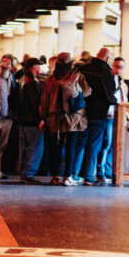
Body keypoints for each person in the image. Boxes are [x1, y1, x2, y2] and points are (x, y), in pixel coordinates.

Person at [40, 56, 91, 185]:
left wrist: (43, 117)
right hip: (73, 117)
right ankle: (68, 177)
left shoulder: (50, 79)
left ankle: (55, 176)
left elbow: (44, 100)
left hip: (54, 117)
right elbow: (87, 92)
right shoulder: (77, 76)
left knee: (55, 148)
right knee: (71, 147)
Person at [79, 48, 117, 185]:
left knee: (80, 143)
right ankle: (89, 175)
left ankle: (73, 174)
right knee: (94, 144)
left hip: (81, 111)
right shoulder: (106, 73)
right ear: (107, 59)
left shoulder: (82, 68)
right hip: (98, 113)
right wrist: (114, 101)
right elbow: (109, 95)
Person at [17, 58, 44, 183]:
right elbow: (35, 104)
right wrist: (40, 119)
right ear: (34, 67)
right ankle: (27, 173)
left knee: (26, 147)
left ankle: (24, 172)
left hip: (23, 119)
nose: (41, 68)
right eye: (39, 66)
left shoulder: (22, 80)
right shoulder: (32, 83)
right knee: (34, 148)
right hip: (32, 121)